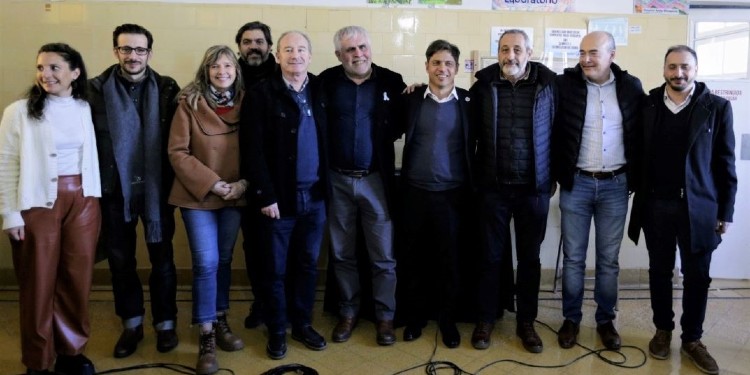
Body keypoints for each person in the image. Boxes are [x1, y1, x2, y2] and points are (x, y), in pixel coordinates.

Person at [628, 45, 736, 375]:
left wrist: (726, 211)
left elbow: (725, 162)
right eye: (673, 67)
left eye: (685, 67)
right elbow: (634, 152)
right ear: (663, 70)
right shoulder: (646, 105)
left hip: (699, 209)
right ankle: (663, 330)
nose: (679, 73)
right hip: (656, 206)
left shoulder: (716, 107)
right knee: (659, 272)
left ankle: (692, 339)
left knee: (697, 277)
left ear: (696, 69)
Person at [0, 43, 101, 375]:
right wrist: (10, 213)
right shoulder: (19, 111)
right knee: (38, 283)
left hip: (83, 200)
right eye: (41, 67)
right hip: (37, 203)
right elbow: (6, 164)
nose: (46, 74)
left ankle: (71, 352)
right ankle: (38, 361)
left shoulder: (86, 107)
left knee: (76, 278)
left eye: (55, 67)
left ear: (75, 72)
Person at [88, 23, 179, 358]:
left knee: (163, 261)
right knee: (121, 262)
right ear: (116, 51)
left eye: (139, 50)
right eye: (126, 49)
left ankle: (166, 324)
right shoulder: (94, 90)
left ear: (149, 53)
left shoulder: (168, 88)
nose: (132, 56)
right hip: (114, 192)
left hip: (158, 191)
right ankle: (132, 323)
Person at [552, 30, 644, 350]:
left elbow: (644, 132)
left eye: (593, 53)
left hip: (615, 186)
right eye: (581, 53)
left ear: (612, 56)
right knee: (574, 258)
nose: (586, 59)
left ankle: (605, 320)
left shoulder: (631, 88)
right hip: (576, 184)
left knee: (608, 260)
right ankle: (571, 319)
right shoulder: (565, 85)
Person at [241, 30, 328, 360]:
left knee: (307, 266)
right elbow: (252, 150)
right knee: (274, 269)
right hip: (279, 200)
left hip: (315, 198)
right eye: (288, 50)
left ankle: (302, 324)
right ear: (277, 56)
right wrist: (265, 196)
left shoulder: (321, 89)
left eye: (301, 49)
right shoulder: (262, 93)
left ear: (310, 55)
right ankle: (277, 329)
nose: (295, 55)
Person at [469, 29, 556, 353]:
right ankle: (486, 319)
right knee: (489, 258)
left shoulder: (549, 85)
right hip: (493, 189)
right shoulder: (484, 85)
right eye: (504, 49)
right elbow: (470, 129)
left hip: (533, 189)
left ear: (529, 52)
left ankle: (526, 323)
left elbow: (559, 131)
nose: (510, 56)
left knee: (530, 260)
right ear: (498, 52)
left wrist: (552, 177)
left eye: (517, 49)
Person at [319, 25, 406, 346]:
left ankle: (385, 317)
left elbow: (400, 122)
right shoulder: (325, 82)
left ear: (370, 48)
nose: (358, 54)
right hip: (337, 180)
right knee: (342, 254)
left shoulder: (391, 82)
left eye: (362, 47)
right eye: (350, 50)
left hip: (376, 181)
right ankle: (348, 311)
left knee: (383, 256)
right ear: (339, 55)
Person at [168, 44, 247, 375]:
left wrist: (244, 184)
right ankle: (205, 335)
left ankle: (220, 318)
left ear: (236, 70)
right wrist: (213, 183)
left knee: (224, 260)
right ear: (206, 71)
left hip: (236, 194)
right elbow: (177, 152)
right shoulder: (189, 102)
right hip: (199, 195)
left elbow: (262, 147)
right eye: (215, 67)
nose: (222, 72)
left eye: (228, 66)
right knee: (206, 262)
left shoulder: (249, 102)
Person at [399, 39, 472, 349]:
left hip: (452, 195)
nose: (442, 68)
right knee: (414, 258)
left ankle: (447, 320)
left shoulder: (468, 102)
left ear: (456, 69)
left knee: (449, 261)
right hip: (415, 192)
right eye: (437, 63)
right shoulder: (412, 99)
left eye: (448, 64)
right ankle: (416, 318)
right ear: (427, 66)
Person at [234, 20, 276, 330]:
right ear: (239, 47)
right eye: (247, 42)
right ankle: (261, 303)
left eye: (259, 41)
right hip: (236, 177)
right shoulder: (227, 77)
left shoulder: (283, 75)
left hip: (276, 180)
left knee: (277, 246)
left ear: (270, 46)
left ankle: (280, 304)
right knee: (253, 248)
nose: (253, 47)